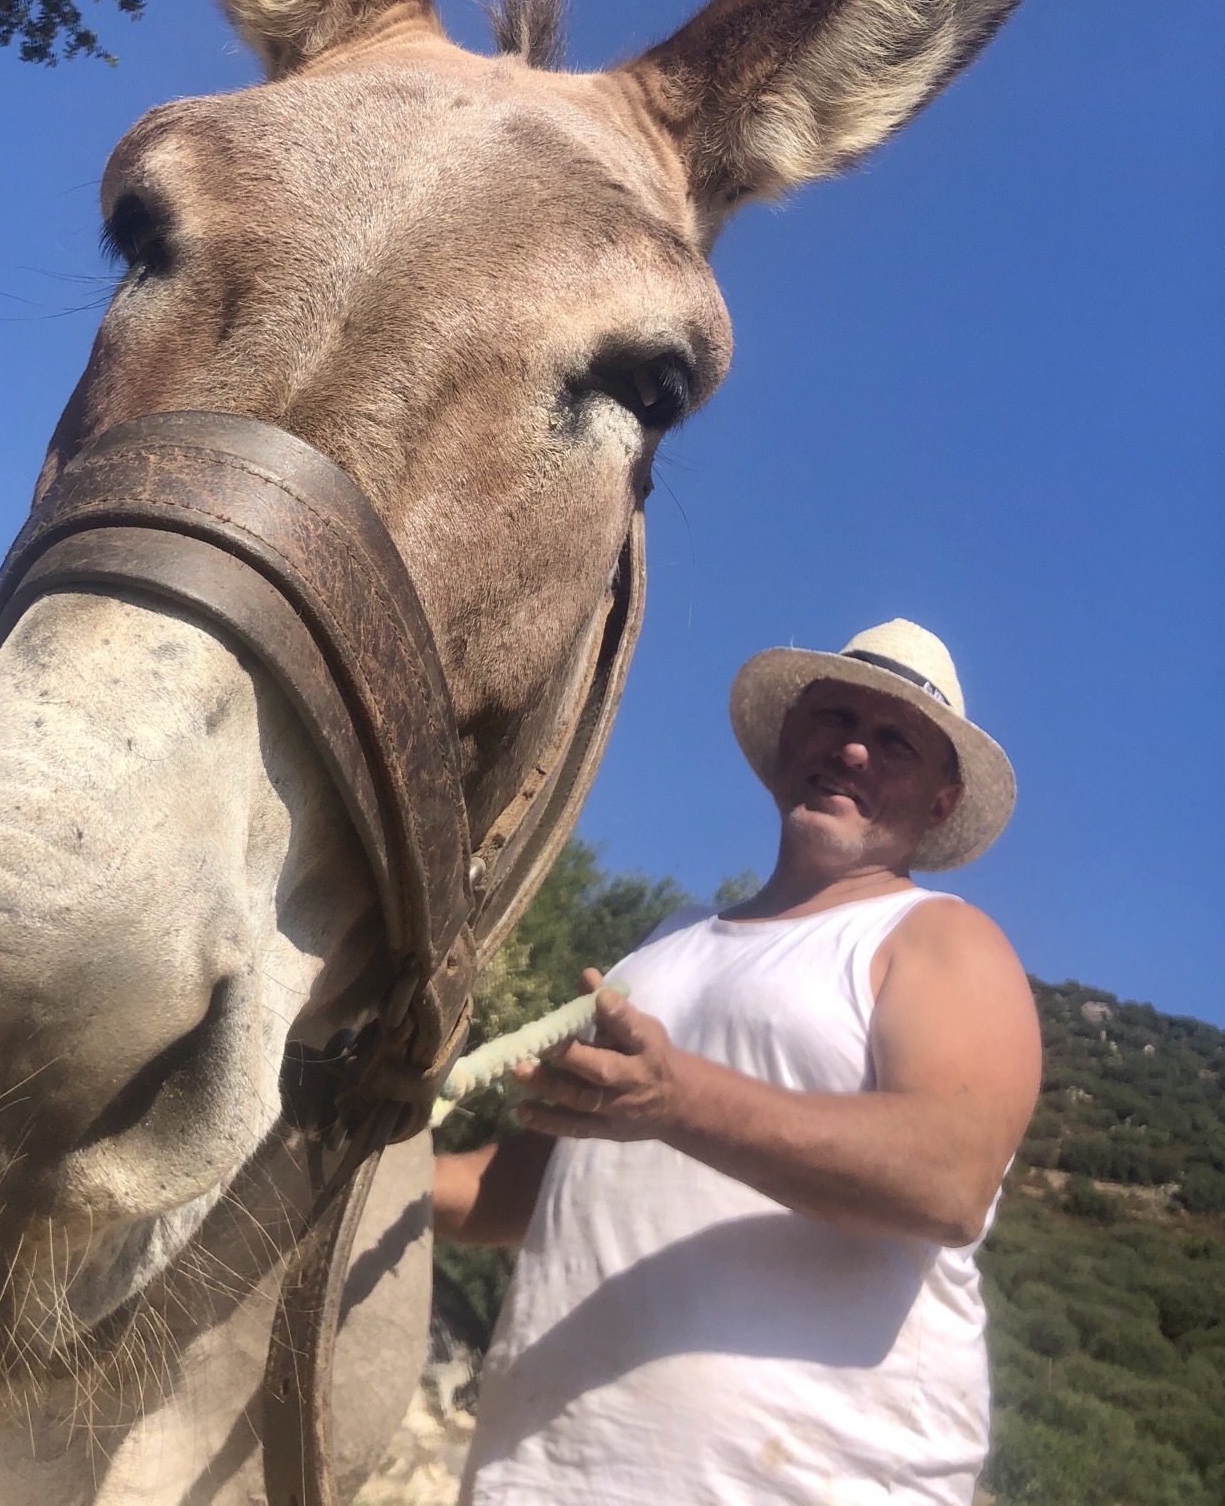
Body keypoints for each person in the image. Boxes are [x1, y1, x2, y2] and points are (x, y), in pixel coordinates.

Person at [436, 619, 1042, 1506]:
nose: (855, 750)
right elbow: (544, 1188)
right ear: (791, 737)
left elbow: (950, 1180)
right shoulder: (666, 942)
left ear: (941, 804)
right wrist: (371, 1177)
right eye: (836, 717)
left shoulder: (942, 938)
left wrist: (676, 1100)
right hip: (535, 1479)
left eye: (895, 742)